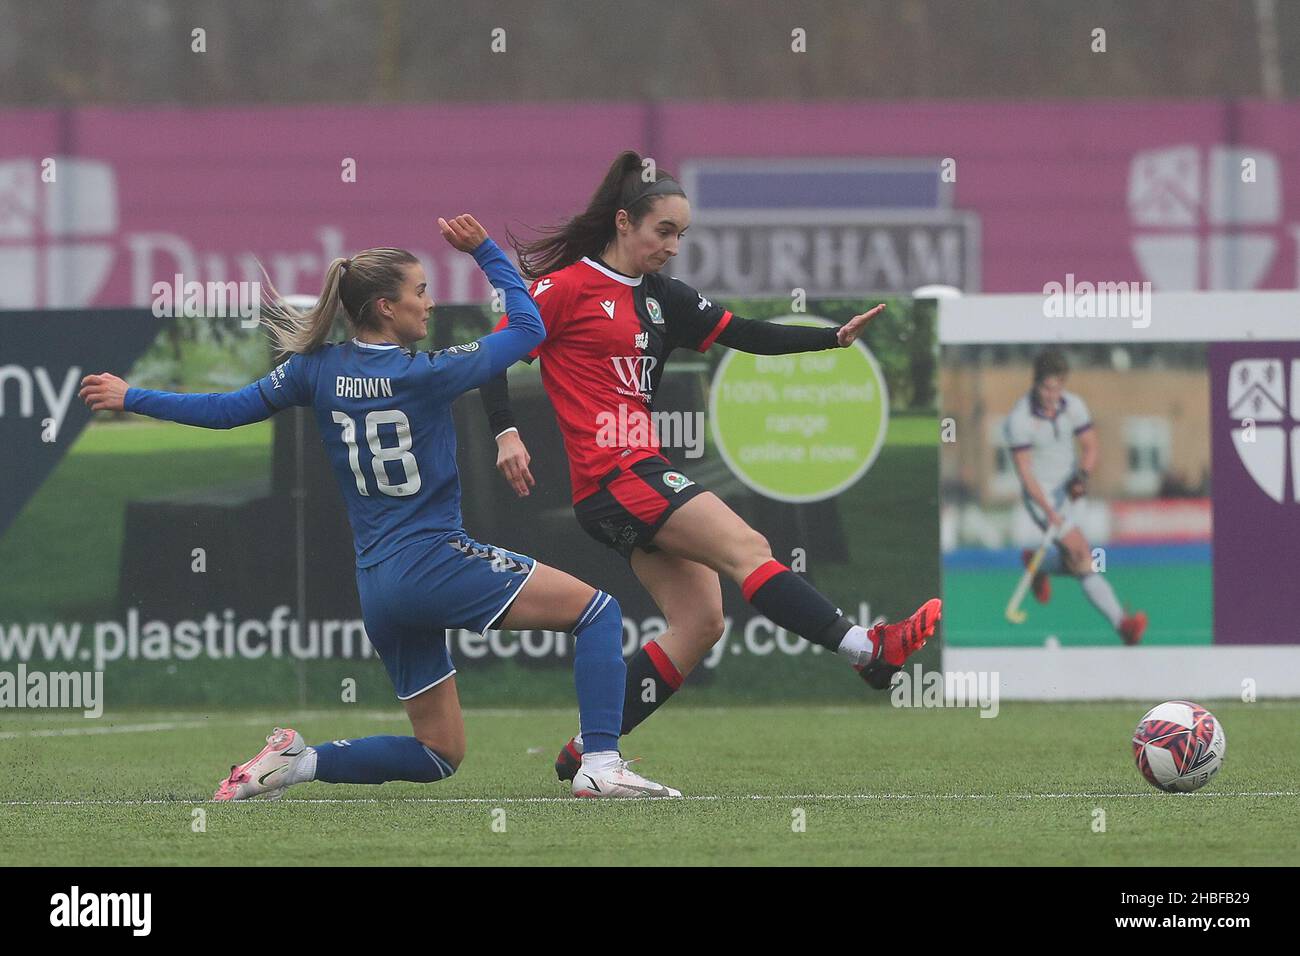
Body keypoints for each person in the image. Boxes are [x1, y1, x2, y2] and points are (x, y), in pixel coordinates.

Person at [78, 214, 679, 800]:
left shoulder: (315, 370)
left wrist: (132, 395)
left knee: (438, 752)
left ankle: (298, 762)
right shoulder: (427, 373)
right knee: (598, 612)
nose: (430, 303)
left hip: (379, 586)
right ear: (386, 308)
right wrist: (486, 251)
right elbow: (527, 328)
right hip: (435, 562)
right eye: (420, 291)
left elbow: (226, 411)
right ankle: (600, 763)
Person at [477, 151, 942, 783]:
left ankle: (593, 748)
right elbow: (492, 353)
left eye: (681, 235)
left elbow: (746, 332)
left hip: (625, 482)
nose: (672, 246)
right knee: (748, 545)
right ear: (623, 222)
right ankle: (869, 651)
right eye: (662, 231)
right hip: (616, 475)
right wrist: (506, 431)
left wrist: (829, 338)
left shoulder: (664, 299)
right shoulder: (565, 288)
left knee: (700, 623)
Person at [1005, 348, 1147, 645]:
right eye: (1046, 388)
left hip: (1072, 489)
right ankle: (1123, 625)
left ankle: (1039, 565)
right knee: (1083, 554)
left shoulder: (1074, 406)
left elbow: (1091, 446)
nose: (1052, 395)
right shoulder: (1019, 419)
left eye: (1057, 388)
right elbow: (1025, 472)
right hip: (1041, 496)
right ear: (1036, 383)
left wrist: (1082, 475)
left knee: (1076, 559)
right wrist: (1049, 510)